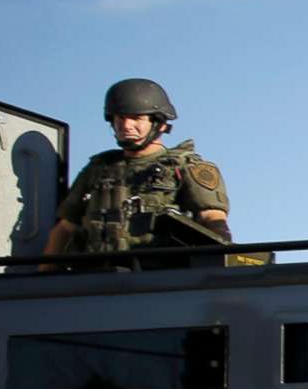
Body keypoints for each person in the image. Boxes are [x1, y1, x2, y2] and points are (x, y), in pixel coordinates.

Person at [45, 79, 230, 263]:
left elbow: (213, 220)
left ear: (160, 123)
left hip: (160, 278)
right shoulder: (98, 169)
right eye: (120, 118)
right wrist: (43, 279)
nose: (126, 126)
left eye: (136, 118)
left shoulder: (186, 167)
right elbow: (65, 229)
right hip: (97, 277)